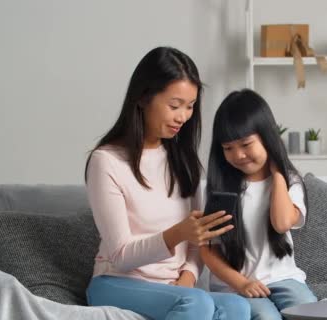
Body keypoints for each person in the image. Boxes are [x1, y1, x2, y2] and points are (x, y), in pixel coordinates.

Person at [84, 47, 251, 320]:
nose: (183, 117)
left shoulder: (182, 160)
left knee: (237, 307)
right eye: (174, 106)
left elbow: (198, 240)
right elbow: (121, 255)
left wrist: (188, 277)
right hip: (117, 282)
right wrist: (178, 233)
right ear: (143, 97)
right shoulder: (106, 161)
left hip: (172, 288)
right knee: (196, 304)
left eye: (190, 106)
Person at [201, 88, 318, 320]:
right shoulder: (220, 188)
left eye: (246, 144)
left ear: (267, 138)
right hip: (235, 286)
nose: (238, 155)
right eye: (228, 148)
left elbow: (282, 222)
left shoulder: (290, 182)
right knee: (266, 318)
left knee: (309, 312)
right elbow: (208, 250)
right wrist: (242, 283)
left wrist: (277, 175)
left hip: (284, 279)